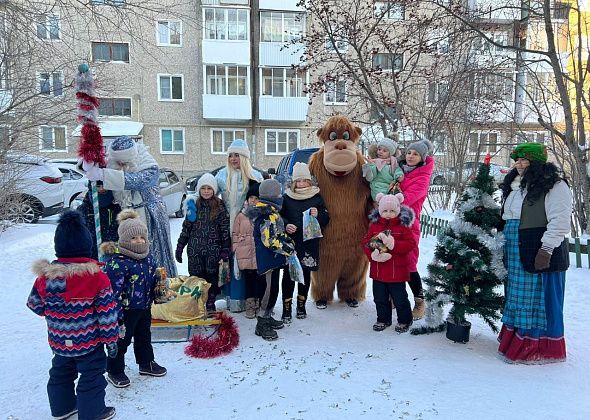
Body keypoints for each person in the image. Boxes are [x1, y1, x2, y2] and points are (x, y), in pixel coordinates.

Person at [26, 210, 119, 420]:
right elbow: (107, 315)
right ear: (87, 246)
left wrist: (57, 314)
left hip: (59, 341)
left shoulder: (45, 277)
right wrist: (111, 340)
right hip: (89, 343)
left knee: (60, 372)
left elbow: (34, 305)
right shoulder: (96, 278)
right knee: (91, 375)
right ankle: (93, 412)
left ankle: (62, 408)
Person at [497, 143, 572, 364]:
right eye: (517, 160)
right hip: (515, 248)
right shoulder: (516, 186)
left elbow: (560, 220)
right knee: (517, 295)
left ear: (537, 162)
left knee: (534, 297)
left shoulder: (554, 185)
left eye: (524, 160)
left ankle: (535, 346)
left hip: (537, 247)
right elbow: (510, 217)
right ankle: (514, 340)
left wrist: (546, 249)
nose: (519, 165)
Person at [83, 135, 177, 277]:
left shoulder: (148, 164)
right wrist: (90, 164)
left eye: (123, 161)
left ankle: (160, 284)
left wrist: (103, 175)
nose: (120, 164)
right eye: (117, 161)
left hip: (149, 215)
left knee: (154, 253)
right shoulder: (113, 164)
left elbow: (138, 180)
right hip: (126, 217)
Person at [101, 210, 167, 388]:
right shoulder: (117, 263)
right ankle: (115, 370)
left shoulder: (148, 258)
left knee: (144, 336)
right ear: (124, 240)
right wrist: (115, 314)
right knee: (121, 340)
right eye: (133, 238)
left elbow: (154, 279)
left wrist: (160, 288)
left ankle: (146, 363)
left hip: (144, 306)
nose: (139, 241)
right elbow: (112, 292)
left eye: (142, 237)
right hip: (125, 311)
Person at [215, 139, 263, 312]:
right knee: (232, 258)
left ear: (244, 157)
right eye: (230, 155)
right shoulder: (221, 175)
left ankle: (250, 298)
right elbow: (210, 193)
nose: (233, 159)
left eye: (237, 155)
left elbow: (262, 200)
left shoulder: (255, 176)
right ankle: (234, 299)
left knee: (248, 260)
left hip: (249, 226)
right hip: (228, 225)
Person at [245, 178, 296, 340]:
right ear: (274, 196)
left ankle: (267, 316)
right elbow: (270, 241)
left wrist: (286, 240)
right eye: (279, 193)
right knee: (268, 292)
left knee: (273, 289)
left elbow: (277, 234)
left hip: (273, 261)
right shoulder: (266, 216)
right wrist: (287, 248)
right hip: (267, 261)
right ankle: (262, 323)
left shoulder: (271, 213)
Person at [280, 162, 329, 322]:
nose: (301, 184)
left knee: (305, 274)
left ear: (309, 181)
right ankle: (286, 308)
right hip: (291, 243)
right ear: (293, 183)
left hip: (309, 243)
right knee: (288, 275)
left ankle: (301, 306)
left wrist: (318, 213)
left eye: (303, 181)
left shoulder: (316, 197)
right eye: (298, 181)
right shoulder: (287, 197)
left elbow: (326, 218)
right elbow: (280, 216)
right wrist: (286, 225)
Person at [175, 173, 231, 314]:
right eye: (203, 188)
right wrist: (180, 246)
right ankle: (198, 305)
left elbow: (224, 229)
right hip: (195, 249)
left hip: (213, 250)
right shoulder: (193, 205)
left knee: (211, 278)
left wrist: (225, 249)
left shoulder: (219, 206)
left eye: (209, 188)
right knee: (197, 278)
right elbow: (186, 228)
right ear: (199, 189)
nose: (206, 191)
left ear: (214, 190)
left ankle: (211, 304)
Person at [361, 193, 417, 333]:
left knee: (400, 299)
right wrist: (372, 255)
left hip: (396, 271)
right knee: (380, 298)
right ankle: (383, 319)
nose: (388, 214)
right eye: (385, 210)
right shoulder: (374, 225)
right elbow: (366, 243)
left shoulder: (403, 226)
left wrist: (394, 244)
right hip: (379, 271)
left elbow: (411, 243)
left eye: (392, 211)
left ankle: (405, 320)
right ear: (380, 210)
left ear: (398, 210)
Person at [398, 139, 434, 320]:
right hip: (390, 223)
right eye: (409, 152)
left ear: (422, 158)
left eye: (416, 154)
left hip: (409, 225)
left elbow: (406, 199)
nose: (411, 156)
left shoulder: (422, 177)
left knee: (409, 264)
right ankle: (394, 297)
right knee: (390, 261)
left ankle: (420, 301)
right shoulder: (398, 170)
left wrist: (385, 199)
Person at [232, 182, 265, 319]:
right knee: (249, 280)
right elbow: (235, 234)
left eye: (256, 198)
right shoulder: (241, 215)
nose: (254, 200)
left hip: (259, 253)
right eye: (251, 197)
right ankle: (250, 305)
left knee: (261, 279)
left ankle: (260, 303)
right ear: (247, 199)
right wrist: (235, 248)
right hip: (245, 253)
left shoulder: (264, 213)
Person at [76, 181, 122, 260]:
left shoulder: (118, 209)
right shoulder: (83, 210)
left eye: (104, 185)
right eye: (98, 186)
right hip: (90, 258)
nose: (101, 189)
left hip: (113, 258)